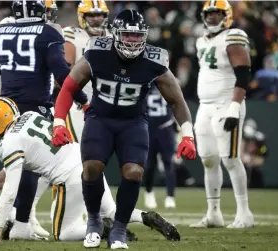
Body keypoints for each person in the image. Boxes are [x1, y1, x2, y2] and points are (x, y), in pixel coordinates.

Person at [51, 9, 196, 249]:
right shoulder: (97, 53)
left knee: (134, 172)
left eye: (137, 36)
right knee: (91, 168)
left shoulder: (154, 60)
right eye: (128, 35)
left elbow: (177, 100)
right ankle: (95, 222)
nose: (133, 40)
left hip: (133, 122)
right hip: (100, 118)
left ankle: (118, 228)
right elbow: (68, 87)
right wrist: (58, 121)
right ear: (116, 34)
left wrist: (187, 135)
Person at [0, 97, 180, 243]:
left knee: (64, 234)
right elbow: (34, 150)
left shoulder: (8, 143)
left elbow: (9, 193)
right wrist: (3, 173)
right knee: (110, 211)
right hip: (86, 161)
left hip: (70, 177)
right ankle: (147, 217)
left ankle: (104, 229)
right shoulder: (30, 115)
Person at [0, 0, 89, 240]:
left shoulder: (1, 31)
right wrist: (82, 98)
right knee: (32, 164)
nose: (49, 15)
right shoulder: (48, 31)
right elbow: (63, 73)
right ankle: (20, 222)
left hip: (6, 107)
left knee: (21, 162)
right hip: (35, 105)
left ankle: (20, 219)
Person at [190, 0, 254, 229]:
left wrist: (235, 106)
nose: (212, 18)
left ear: (226, 16)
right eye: (209, 14)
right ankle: (213, 213)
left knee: (230, 158)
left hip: (226, 103)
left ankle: (244, 213)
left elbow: (244, 73)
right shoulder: (200, 40)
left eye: (217, 14)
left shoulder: (233, 36)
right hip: (205, 106)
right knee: (208, 160)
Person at [61, 0, 110, 142]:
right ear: (82, 16)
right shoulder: (72, 35)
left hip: (106, 106)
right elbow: (65, 72)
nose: (96, 19)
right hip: (78, 105)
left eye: (100, 15)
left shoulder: (113, 37)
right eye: (91, 15)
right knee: (77, 151)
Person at [143, 86, 177, 209]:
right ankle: (149, 192)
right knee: (149, 165)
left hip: (165, 128)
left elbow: (176, 103)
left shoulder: (168, 82)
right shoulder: (146, 83)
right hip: (148, 130)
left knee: (169, 163)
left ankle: (170, 196)